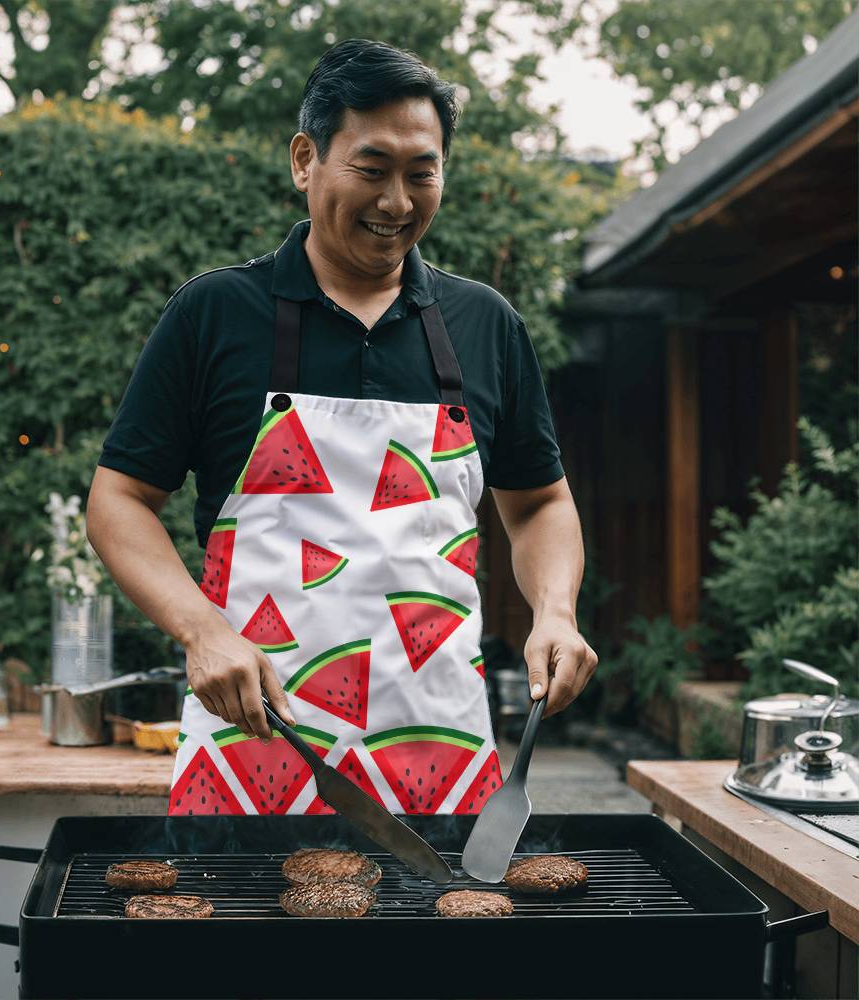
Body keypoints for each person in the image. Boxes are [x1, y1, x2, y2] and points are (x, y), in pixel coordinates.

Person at [87, 38, 597, 816]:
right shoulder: (215, 313)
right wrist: (202, 632)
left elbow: (538, 504)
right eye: (372, 168)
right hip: (252, 749)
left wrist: (555, 610)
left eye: (421, 173)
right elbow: (118, 500)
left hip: (443, 760)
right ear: (305, 160)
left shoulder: (485, 325)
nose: (397, 201)